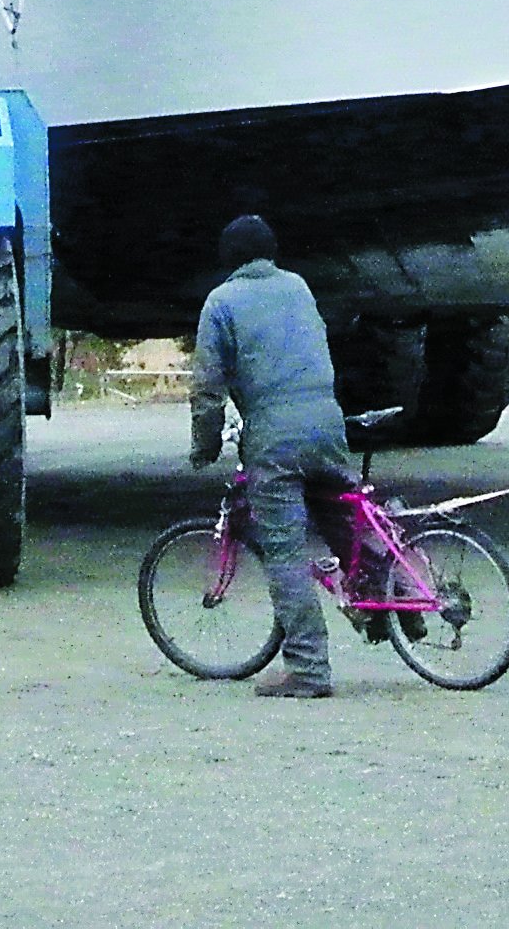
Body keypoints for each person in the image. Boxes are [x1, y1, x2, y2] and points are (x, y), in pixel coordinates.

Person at [189, 214, 355, 699]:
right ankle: (397, 600)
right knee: (346, 524)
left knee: (284, 552)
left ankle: (307, 670)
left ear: (228, 258)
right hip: (327, 425)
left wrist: (204, 445)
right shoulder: (299, 287)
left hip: (275, 439)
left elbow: (207, 388)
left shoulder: (221, 302)